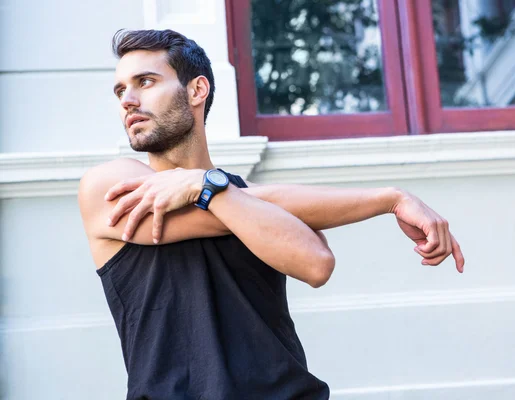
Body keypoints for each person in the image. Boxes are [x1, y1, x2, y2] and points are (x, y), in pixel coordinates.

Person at [78, 29, 465, 400]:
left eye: (145, 81)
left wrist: (205, 185)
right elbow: (227, 207)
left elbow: (317, 264)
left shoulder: (238, 196)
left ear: (197, 90)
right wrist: (389, 199)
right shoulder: (110, 185)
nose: (127, 99)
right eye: (120, 90)